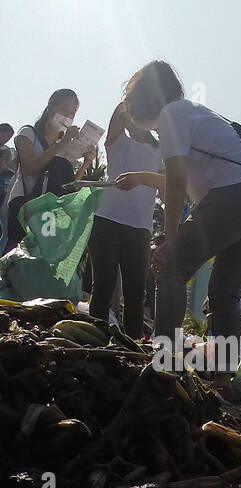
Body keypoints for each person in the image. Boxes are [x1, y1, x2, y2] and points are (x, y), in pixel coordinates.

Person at [123, 60, 241, 362]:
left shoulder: (171, 115)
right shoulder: (193, 112)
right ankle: (225, 376)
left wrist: (171, 239)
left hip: (234, 196)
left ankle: (164, 357)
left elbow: (178, 180)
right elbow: (179, 178)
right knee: (224, 293)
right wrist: (141, 178)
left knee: (170, 265)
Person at [87, 103, 161, 340]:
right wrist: (138, 103)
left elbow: (171, 183)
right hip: (107, 219)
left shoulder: (159, 152)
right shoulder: (117, 142)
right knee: (103, 286)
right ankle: (96, 339)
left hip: (140, 228)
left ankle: (131, 346)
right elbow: (121, 109)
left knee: (135, 293)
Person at [2, 90, 97, 254]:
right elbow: (29, 167)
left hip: (48, 211)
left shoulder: (63, 147)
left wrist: (85, 163)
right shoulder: (28, 133)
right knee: (16, 259)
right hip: (25, 206)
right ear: (50, 108)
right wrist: (62, 143)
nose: (68, 116)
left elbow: (67, 187)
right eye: (64, 110)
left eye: (72, 113)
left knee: (41, 261)